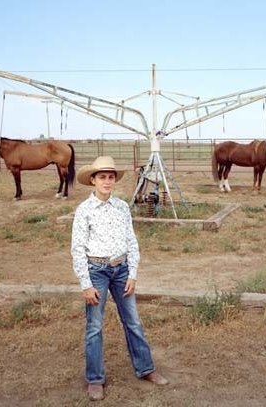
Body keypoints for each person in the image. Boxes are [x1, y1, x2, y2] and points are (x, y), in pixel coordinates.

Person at [71, 156, 168, 401]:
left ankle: (146, 368)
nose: (107, 181)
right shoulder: (84, 211)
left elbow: (131, 241)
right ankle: (95, 378)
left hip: (121, 270)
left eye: (110, 177)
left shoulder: (122, 207)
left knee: (133, 321)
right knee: (95, 326)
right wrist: (86, 284)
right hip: (97, 271)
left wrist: (132, 273)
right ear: (92, 180)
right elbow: (77, 249)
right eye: (101, 177)